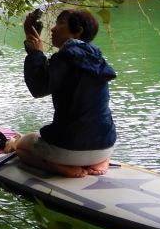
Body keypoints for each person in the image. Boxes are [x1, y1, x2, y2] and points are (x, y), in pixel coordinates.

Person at [14, 9, 117, 178]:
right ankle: (102, 160)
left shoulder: (65, 57)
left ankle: (56, 167)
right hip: (105, 144)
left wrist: (35, 53)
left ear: (78, 31)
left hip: (68, 148)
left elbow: (39, 88)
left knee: (21, 147)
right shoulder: (96, 58)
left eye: (60, 23)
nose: (53, 29)